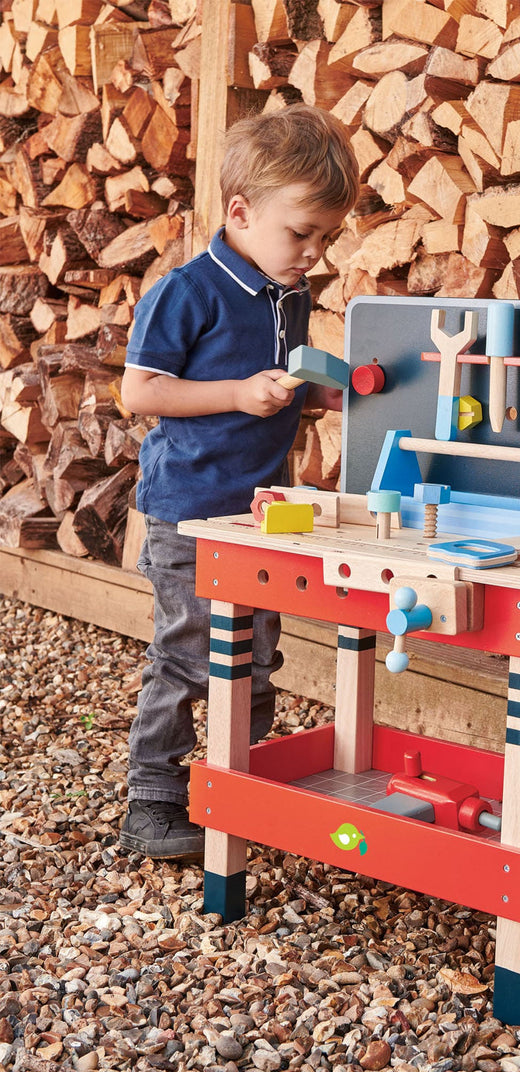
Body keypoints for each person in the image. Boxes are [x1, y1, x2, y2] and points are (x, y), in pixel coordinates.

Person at [118, 105, 359, 860]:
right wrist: (236, 393)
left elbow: (279, 380)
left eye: (327, 237)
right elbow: (141, 392)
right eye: (302, 233)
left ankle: (234, 786)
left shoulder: (288, 292)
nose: (314, 253)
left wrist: (313, 394)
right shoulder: (187, 292)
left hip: (262, 511)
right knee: (189, 654)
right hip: (190, 510)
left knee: (255, 653)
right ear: (240, 211)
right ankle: (151, 799)